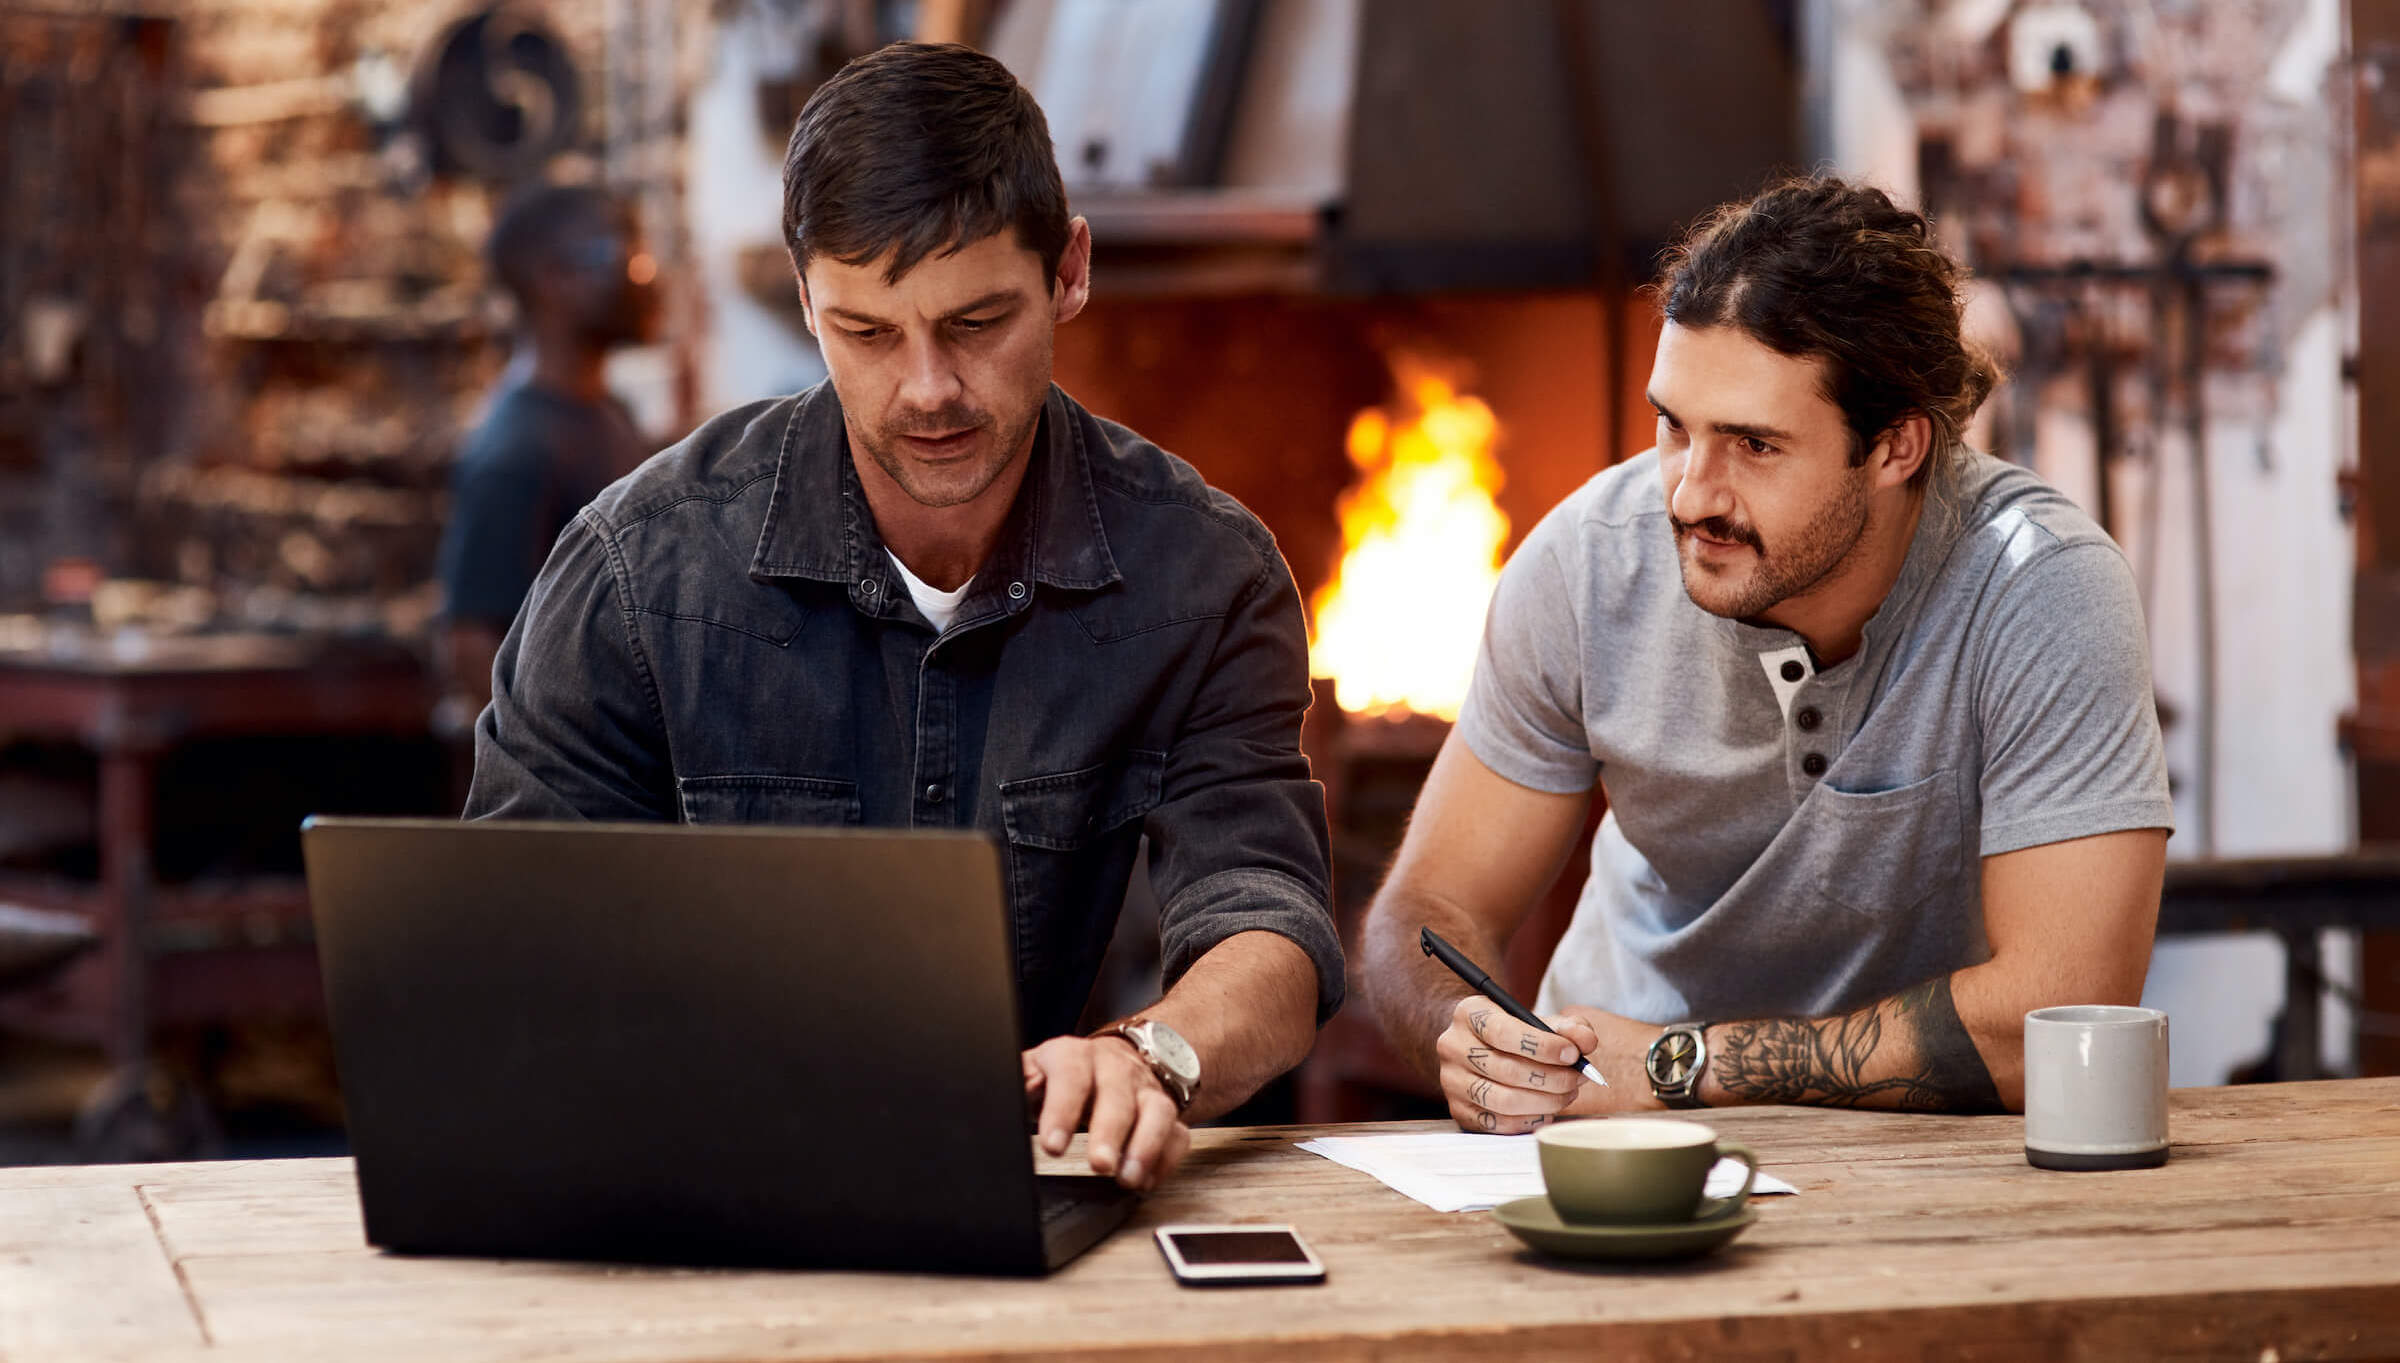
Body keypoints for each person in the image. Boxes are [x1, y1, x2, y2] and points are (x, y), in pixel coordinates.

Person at [464, 43, 1340, 1191]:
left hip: (1035, 1186)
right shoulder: (639, 568)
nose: (927, 388)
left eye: (976, 322)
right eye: (868, 333)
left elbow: (1265, 914)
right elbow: (507, 943)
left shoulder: (1202, 574)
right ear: (806, 301)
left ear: (1068, 271)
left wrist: (1151, 1055)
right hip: (696, 1190)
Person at [1360, 176, 2173, 1130]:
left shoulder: (2042, 586)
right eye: (1674, 426)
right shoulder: (1587, 563)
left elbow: (2062, 1016)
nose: (1689, 494)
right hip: (1610, 1135)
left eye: (1752, 443)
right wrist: (1468, 1035)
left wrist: (1682, 1063)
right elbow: (1425, 908)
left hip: (1928, 1151)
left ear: (1896, 447)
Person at [436, 183, 660, 718]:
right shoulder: (516, 449)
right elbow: (472, 645)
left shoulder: (606, 412)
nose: (644, 276)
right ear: (554, 280)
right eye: (619, 256)